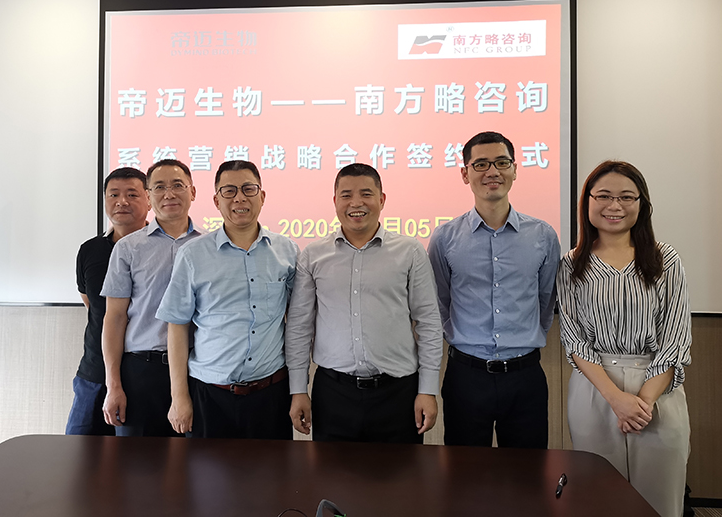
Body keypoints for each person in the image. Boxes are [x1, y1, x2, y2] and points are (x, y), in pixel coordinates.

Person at [556, 160, 691, 517]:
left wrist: (641, 404)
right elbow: (574, 340)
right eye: (603, 196)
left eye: (626, 197)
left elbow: (675, 339)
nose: (614, 206)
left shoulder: (665, 259)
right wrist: (616, 399)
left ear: (641, 204)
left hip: (657, 391)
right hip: (595, 389)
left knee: (659, 500)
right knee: (598, 498)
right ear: (587, 202)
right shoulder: (571, 265)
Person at [286, 163, 443, 443]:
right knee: (332, 472)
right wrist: (298, 390)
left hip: (398, 393)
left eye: (366, 194)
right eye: (346, 195)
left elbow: (429, 322)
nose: (356, 203)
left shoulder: (410, 252)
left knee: (402, 471)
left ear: (382, 199)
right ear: (335, 201)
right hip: (333, 394)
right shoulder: (313, 255)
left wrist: (428, 390)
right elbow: (299, 326)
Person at [428, 131, 560, 448]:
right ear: (465, 173)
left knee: (527, 470)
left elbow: (546, 301)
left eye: (502, 162)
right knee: (464, 470)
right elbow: (440, 302)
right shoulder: (445, 238)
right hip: (466, 376)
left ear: (514, 170)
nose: (492, 172)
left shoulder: (543, 236)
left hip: (525, 375)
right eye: (481, 164)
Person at [156, 160, 298, 439]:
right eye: (229, 191)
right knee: (206, 469)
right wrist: (179, 396)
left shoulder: (287, 251)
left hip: (271, 395)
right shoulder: (193, 254)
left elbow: (297, 323)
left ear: (262, 196)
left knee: (272, 468)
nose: (239, 198)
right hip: (209, 395)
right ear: (216, 200)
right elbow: (177, 326)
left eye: (248, 189)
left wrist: (298, 390)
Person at [101, 159, 201, 436]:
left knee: (195, 460)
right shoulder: (128, 248)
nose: (169, 194)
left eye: (178, 185)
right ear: (148, 195)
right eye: (159, 187)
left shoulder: (209, 247)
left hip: (196, 371)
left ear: (193, 192)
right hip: (141, 372)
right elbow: (114, 318)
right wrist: (113, 385)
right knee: (137, 460)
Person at [65, 167, 149, 435]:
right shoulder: (90, 250)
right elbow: (92, 305)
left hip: (145, 377)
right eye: (113, 195)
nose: (121, 201)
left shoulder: (163, 248)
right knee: (78, 450)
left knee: (138, 458)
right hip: (94, 373)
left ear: (149, 199)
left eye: (132, 194)